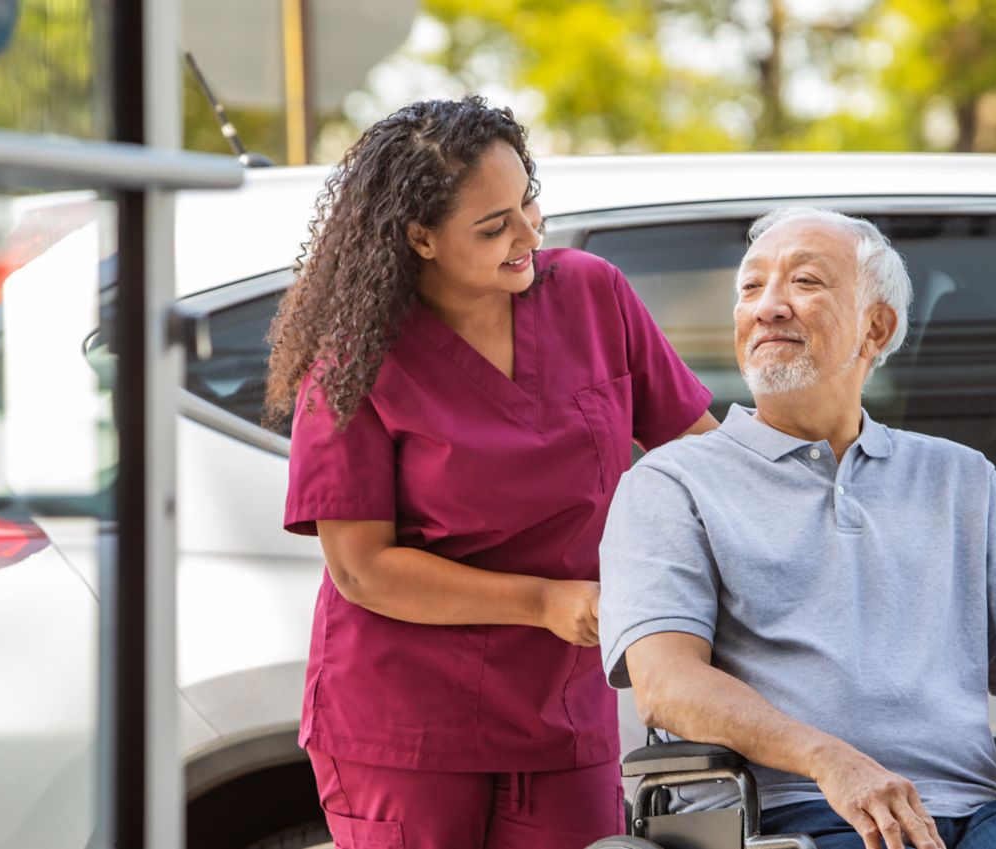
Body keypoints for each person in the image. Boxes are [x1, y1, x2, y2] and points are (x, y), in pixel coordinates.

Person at [598, 207, 996, 849]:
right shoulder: (673, 482)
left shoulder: (961, 478)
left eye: (805, 282)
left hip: (977, 812)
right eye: (750, 288)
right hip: (790, 814)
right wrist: (829, 759)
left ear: (876, 328)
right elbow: (665, 684)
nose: (768, 307)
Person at [265, 96, 717, 849]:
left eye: (527, 203)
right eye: (492, 225)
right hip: (404, 722)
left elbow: (698, 459)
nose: (527, 233)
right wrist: (544, 600)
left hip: (563, 704)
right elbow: (363, 568)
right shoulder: (353, 363)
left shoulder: (593, 294)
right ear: (420, 238)